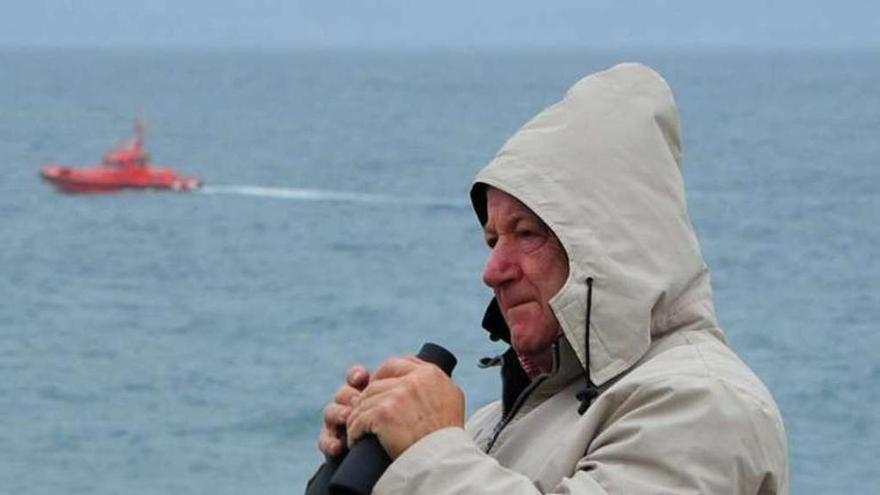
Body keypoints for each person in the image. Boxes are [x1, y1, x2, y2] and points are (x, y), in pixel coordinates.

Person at [312, 63, 789, 494]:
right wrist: (374, 462)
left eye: (526, 234)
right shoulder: (495, 425)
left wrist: (430, 447)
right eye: (491, 240)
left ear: (608, 243)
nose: (492, 271)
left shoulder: (709, 407)